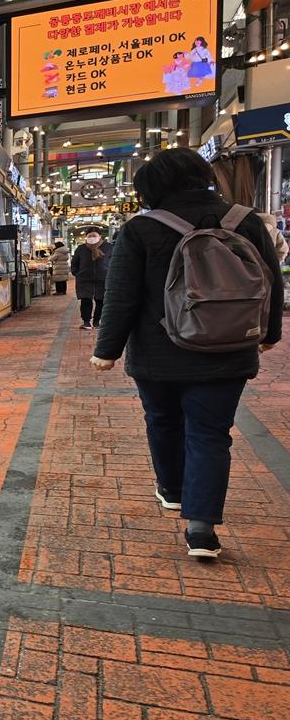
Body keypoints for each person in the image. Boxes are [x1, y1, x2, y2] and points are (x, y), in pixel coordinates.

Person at [90, 148, 283, 559]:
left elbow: (121, 296)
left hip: (160, 351)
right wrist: (269, 333)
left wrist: (107, 350)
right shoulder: (245, 220)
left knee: (162, 420)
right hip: (230, 349)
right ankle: (201, 530)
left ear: (150, 189)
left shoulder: (141, 229)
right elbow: (271, 283)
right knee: (211, 434)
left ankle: (173, 490)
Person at [70, 231, 111, 329]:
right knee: (85, 300)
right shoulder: (81, 248)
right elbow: (74, 262)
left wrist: (111, 273)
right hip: (85, 279)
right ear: (86, 237)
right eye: (89, 236)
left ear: (100, 236)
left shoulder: (108, 247)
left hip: (103, 278)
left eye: (94, 235)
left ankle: (97, 322)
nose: (92, 238)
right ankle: (86, 322)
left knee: (101, 300)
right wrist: (77, 273)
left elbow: (114, 261)